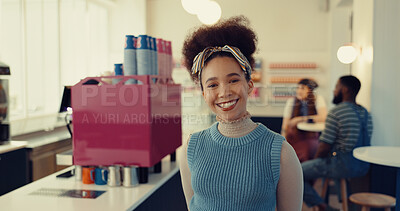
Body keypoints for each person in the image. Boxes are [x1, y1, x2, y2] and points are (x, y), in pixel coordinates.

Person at [179, 16, 303, 211]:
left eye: (233, 80)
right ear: (204, 93)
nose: (224, 92)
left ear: (249, 86)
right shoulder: (190, 149)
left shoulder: (281, 153)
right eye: (212, 85)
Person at [302, 75, 373, 211]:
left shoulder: (336, 112)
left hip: (342, 165)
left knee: (298, 172)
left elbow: (324, 146)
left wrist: (315, 161)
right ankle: (345, 203)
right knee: (326, 167)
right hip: (363, 166)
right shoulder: (365, 112)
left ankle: (323, 206)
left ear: (345, 90)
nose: (334, 91)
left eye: (336, 87)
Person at [281, 78, 327, 162]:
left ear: (310, 90)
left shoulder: (317, 99)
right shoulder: (291, 102)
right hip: (294, 136)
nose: (299, 91)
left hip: (310, 136)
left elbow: (323, 117)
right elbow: (285, 126)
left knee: (309, 149)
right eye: (297, 88)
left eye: (302, 88)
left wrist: (300, 119)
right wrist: (283, 142)